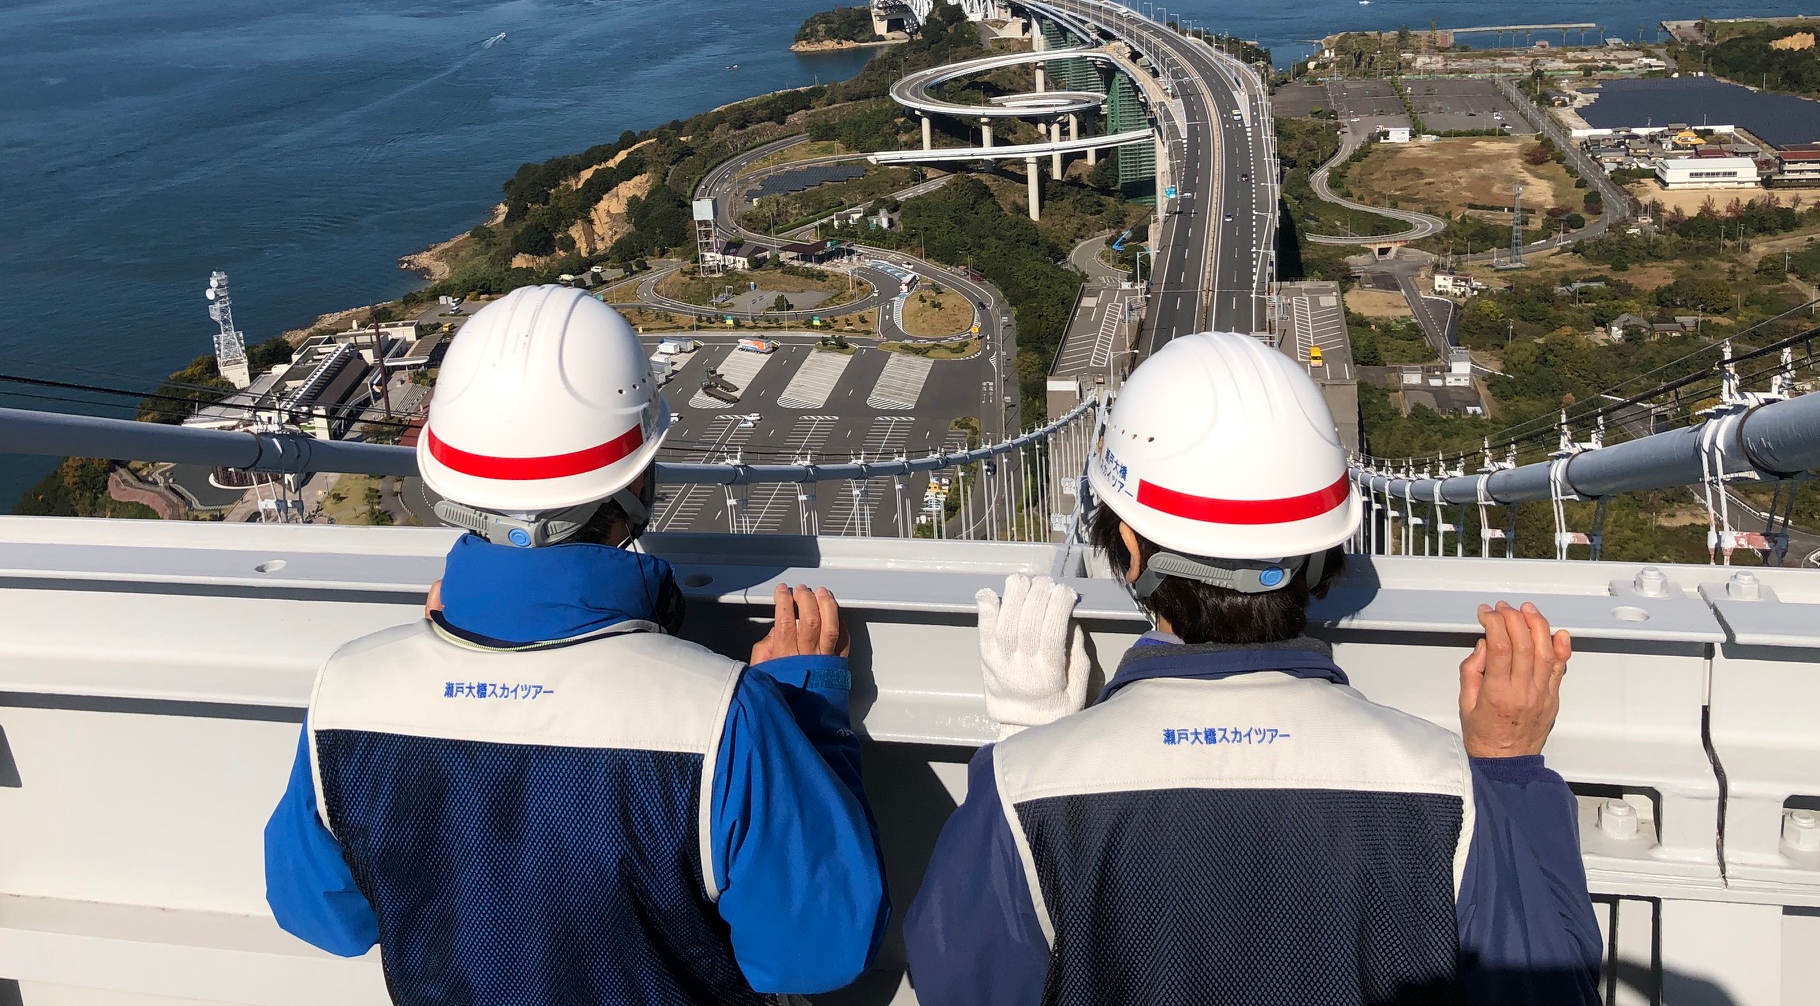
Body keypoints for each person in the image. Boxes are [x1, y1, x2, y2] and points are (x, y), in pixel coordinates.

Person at [905, 332, 1602, 1006]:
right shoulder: (1451, 791)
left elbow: (962, 981)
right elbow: (1545, 985)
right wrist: (1508, 768)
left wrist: (1030, 747)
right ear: (1328, 555)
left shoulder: (1024, 792)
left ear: (1129, 545)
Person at [264, 285, 887, 1004]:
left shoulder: (346, 694)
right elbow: (816, 953)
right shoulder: (728, 720)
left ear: (447, 480)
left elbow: (322, 917)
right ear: (639, 481)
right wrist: (804, 720)